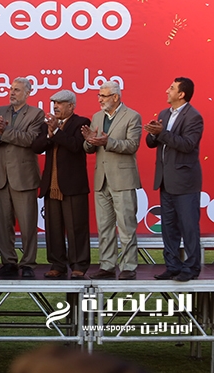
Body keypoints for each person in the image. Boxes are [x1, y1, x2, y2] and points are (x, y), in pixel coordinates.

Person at [0, 77, 43, 279]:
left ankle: (28, 263)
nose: (12, 93)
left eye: (17, 90)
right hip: (2, 176)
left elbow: (30, 139)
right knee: (3, 224)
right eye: (11, 89)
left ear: (28, 93)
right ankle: (8, 262)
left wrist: (5, 131)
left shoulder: (36, 114)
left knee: (27, 224)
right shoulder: (1, 111)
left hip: (24, 177)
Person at [82, 81, 142, 280]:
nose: (100, 99)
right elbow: (89, 148)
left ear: (115, 97)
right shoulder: (97, 117)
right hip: (101, 179)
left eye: (104, 96)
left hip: (123, 179)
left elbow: (132, 145)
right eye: (99, 95)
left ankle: (128, 266)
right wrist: (89, 141)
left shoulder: (132, 116)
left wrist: (108, 141)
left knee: (126, 225)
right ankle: (107, 265)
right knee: (104, 226)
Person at [146, 77, 204, 282]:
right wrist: (153, 133)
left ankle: (191, 267)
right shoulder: (164, 114)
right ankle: (172, 265)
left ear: (181, 94)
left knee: (188, 226)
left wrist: (162, 133)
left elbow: (187, 145)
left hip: (185, 182)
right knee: (168, 227)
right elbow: (152, 143)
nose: (167, 91)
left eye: (171, 88)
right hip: (165, 180)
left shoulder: (194, 117)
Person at [31, 90, 91, 279]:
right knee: (53, 228)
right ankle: (57, 264)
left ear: (71, 106)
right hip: (51, 185)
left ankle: (79, 265)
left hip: (73, 186)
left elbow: (75, 145)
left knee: (76, 227)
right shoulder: (48, 124)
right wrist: (50, 135)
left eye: (60, 103)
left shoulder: (81, 122)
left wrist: (56, 132)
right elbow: (37, 146)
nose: (55, 106)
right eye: (54, 103)